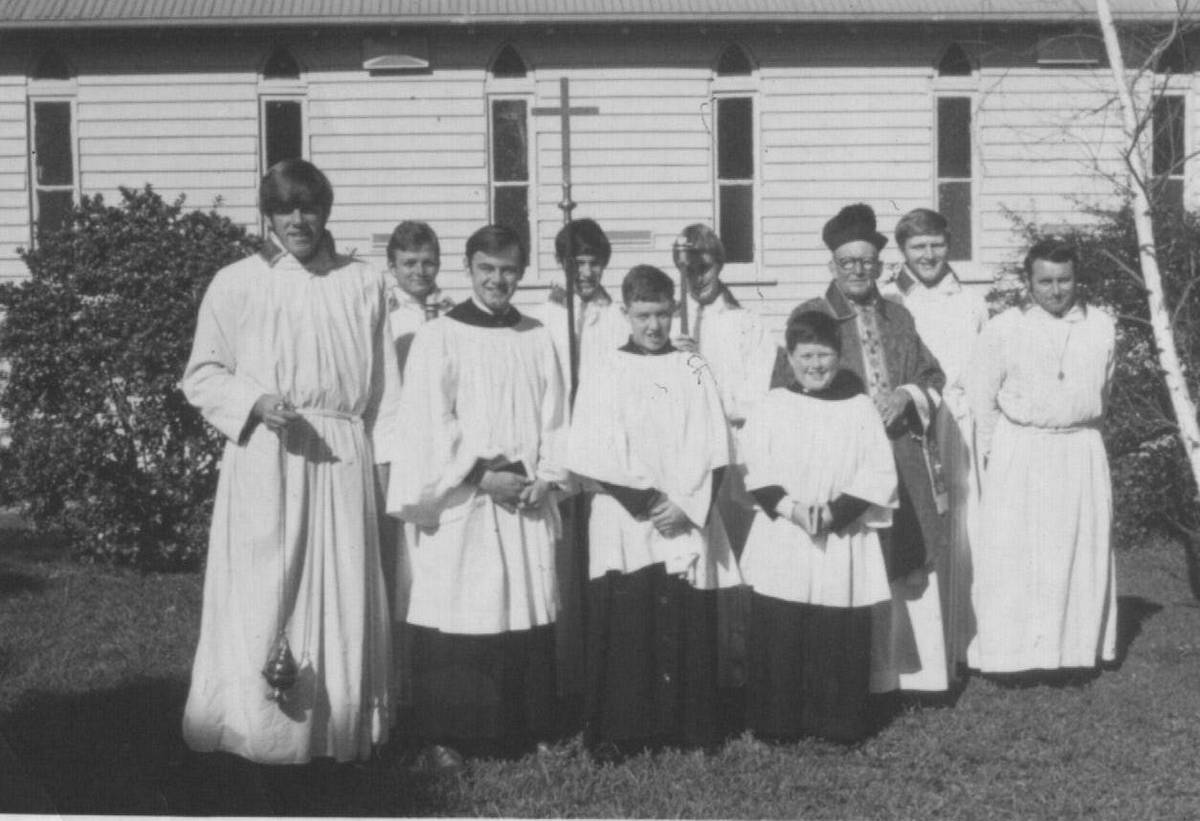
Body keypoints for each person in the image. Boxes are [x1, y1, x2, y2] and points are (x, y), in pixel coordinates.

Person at [181, 159, 402, 764]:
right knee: (265, 586)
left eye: (309, 207)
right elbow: (201, 374)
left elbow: (386, 391)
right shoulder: (236, 282)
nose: (298, 220)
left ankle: (337, 729)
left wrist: (385, 477)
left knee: (344, 590)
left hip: (342, 458)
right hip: (267, 455)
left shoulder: (364, 283)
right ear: (269, 216)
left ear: (325, 211)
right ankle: (258, 732)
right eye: (285, 209)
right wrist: (252, 401)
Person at [385, 224, 567, 769]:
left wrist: (548, 479)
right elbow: (426, 424)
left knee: (522, 611)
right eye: (487, 269)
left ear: (521, 272)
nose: (497, 280)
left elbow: (556, 418)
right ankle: (448, 734)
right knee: (460, 610)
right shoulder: (440, 336)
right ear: (469, 269)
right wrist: (480, 477)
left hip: (525, 499)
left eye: (508, 270)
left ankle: (524, 727)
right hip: (466, 497)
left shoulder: (536, 335)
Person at [566, 264, 742, 758]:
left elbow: (717, 447)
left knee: (686, 619)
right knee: (627, 622)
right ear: (625, 312)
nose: (653, 327)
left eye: (662, 315)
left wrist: (686, 508)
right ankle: (623, 731)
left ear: (674, 311)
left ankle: (690, 727)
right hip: (627, 517)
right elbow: (590, 449)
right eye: (643, 315)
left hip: (685, 515)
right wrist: (647, 502)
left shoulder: (693, 367)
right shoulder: (605, 367)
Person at [775, 203, 948, 697]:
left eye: (866, 262)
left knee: (902, 561)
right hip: (839, 468)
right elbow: (785, 392)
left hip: (900, 460)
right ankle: (850, 678)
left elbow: (932, 376)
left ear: (879, 265)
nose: (857, 270)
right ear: (832, 265)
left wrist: (907, 396)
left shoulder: (899, 315)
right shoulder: (811, 315)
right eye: (847, 262)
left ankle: (905, 676)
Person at [740, 311, 897, 743]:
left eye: (824, 355)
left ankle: (838, 724)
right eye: (806, 355)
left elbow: (878, 472)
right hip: (786, 533)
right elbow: (754, 467)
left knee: (837, 630)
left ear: (840, 355)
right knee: (781, 628)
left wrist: (835, 513)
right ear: (789, 357)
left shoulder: (860, 406)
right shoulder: (773, 405)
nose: (815, 365)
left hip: (840, 534)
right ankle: (777, 724)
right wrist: (790, 508)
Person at [967, 238, 1117, 675]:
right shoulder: (1004, 327)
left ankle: (1073, 654)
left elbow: (1103, 390)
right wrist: (998, 454)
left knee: (1078, 548)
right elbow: (982, 398)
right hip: (1023, 449)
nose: (1055, 290)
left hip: (1080, 448)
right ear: (1028, 283)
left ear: (1077, 279)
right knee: (1018, 553)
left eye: (1064, 280)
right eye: (1045, 281)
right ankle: (1015, 656)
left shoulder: (1102, 326)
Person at [879, 208, 988, 687]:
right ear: (903, 251)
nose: (928, 255)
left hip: (960, 425)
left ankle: (965, 642)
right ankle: (923, 648)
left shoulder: (972, 302)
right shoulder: (890, 300)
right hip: (912, 424)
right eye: (917, 246)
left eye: (936, 244)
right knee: (922, 522)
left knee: (964, 527)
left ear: (949, 244)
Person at [529, 218, 628, 393]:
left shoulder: (619, 319)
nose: (587, 273)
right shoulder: (541, 320)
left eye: (594, 263)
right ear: (561, 262)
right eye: (579, 263)